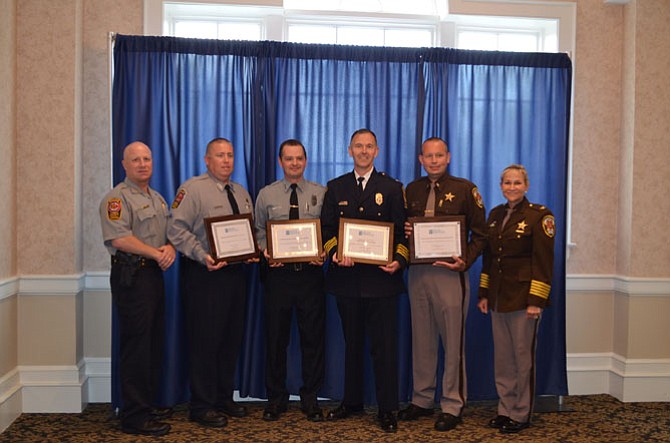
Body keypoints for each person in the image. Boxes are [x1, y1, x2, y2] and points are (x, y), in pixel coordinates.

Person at [320, 128, 409, 433]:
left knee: (384, 348)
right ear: (349, 151)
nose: (363, 151)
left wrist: (399, 259)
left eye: (369, 146)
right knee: (352, 345)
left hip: (382, 283)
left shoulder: (393, 188)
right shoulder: (336, 187)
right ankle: (352, 401)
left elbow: (402, 232)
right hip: (347, 280)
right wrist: (334, 253)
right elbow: (327, 229)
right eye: (358, 146)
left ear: (377, 150)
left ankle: (387, 408)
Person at [399, 137, 487, 432]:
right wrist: (407, 230)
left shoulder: (465, 189)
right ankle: (422, 399)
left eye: (439, 155)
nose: (434, 160)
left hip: (451, 274)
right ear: (420, 159)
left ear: (448, 157)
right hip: (418, 274)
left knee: (452, 342)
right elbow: (403, 231)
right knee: (421, 340)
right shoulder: (411, 190)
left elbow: (480, 235)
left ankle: (452, 403)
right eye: (428, 156)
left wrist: (466, 261)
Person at [168, 137, 256, 428]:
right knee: (206, 341)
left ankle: (222, 397)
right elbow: (176, 229)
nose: (226, 160)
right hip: (204, 275)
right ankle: (201, 405)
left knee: (230, 339)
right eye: (220, 155)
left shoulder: (241, 192)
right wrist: (201, 254)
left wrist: (252, 252)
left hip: (235, 276)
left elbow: (248, 232)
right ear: (207, 160)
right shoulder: (192, 190)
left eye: (230, 155)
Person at [99, 141, 175, 436]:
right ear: (124, 164)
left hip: (153, 277)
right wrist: (157, 253)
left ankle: (146, 404)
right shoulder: (117, 199)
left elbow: (165, 234)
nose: (143, 164)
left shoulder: (156, 198)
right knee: (137, 347)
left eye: (147, 158)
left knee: (153, 343)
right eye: (136, 160)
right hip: (132, 277)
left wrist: (168, 247)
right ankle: (134, 417)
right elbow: (119, 239)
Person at [477, 164, 555, 434]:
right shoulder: (496, 215)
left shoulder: (540, 216)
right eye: (507, 183)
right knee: (503, 359)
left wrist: (537, 300)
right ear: (501, 186)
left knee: (523, 358)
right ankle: (505, 408)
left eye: (517, 183)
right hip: (499, 297)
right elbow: (489, 258)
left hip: (524, 298)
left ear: (526, 185)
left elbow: (544, 262)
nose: (512, 187)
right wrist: (484, 293)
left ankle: (522, 413)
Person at [254, 139, 327, 422]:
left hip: (310, 277)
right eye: (289, 158)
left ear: (306, 161)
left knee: (313, 340)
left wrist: (324, 253)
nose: (294, 163)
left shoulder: (321, 193)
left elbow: (329, 230)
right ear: (280, 161)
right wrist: (266, 251)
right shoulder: (266, 194)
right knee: (276, 340)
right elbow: (259, 230)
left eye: (299, 158)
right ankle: (276, 399)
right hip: (279, 277)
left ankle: (311, 398)